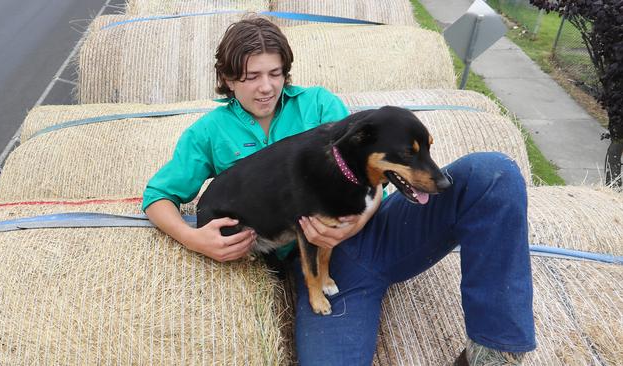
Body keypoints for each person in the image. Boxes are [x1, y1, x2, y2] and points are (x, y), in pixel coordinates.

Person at [143, 16, 536, 366]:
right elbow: (158, 196)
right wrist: (194, 238)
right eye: (250, 77)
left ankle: (492, 351)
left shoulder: (319, 104)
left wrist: (356, 222)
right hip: (313, 265)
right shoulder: (208, 133)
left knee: (493, 173)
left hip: (377, 234)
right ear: (227, 79)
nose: (266, 87)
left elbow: (371, 170)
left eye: (275, 73)